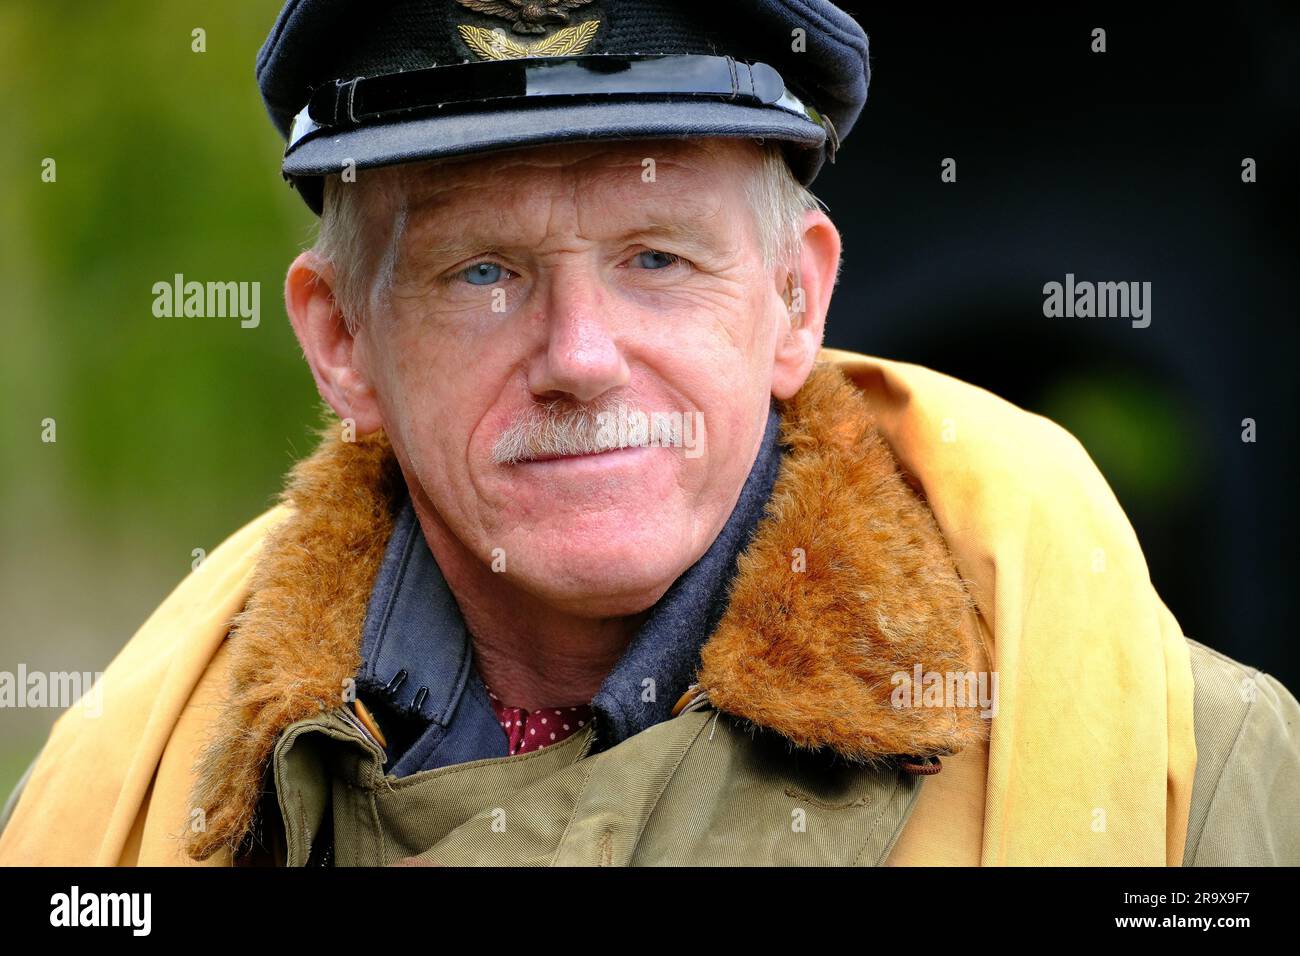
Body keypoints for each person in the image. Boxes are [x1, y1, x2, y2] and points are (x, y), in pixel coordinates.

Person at [2, 0, 1297, 866]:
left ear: (796, 301)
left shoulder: (1204, 777)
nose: (578, 355)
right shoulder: (124, 797)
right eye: (481, 275)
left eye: (658, 258)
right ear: (343, 343)